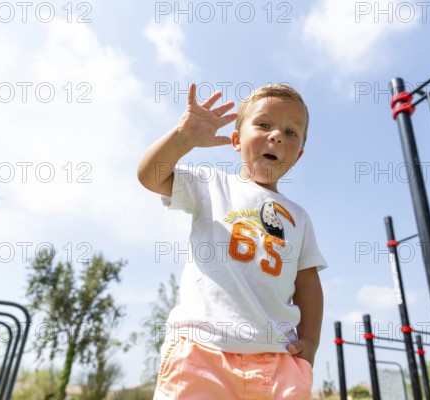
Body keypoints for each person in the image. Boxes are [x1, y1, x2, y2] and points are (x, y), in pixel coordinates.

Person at [137, 82, 327, 399]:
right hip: (202, 351)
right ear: (236, 140)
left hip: (279, 359)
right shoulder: (211, 185)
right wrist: (183, 138)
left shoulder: (300, 217)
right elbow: (150, 176)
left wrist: (309, 346)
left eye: (291, 132)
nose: (277, 135)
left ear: (299, 154)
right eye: (264, 124)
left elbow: (308, 286)